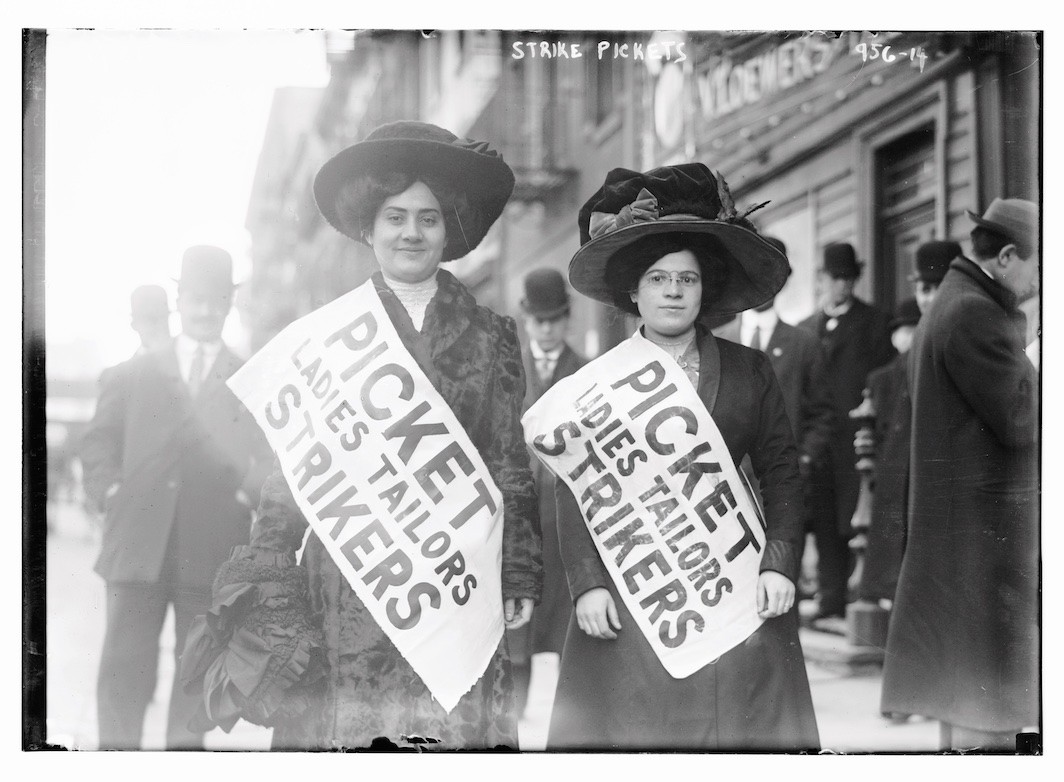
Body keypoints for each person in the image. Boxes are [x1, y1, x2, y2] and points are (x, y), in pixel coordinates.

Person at [190, 121, 543, 750]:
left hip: (457, 579)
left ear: (449, 227)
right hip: (355, 582)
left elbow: (508, 461)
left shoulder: (492, 335)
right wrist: (270, 573)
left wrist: (518, 571)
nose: (412, 232)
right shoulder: (325, 336)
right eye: (395, 216)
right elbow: (293, 470)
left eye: (428, 218)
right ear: (368, 227)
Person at [546, 163, 819, 751]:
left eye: (687, 280)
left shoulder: (750, 371)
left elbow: (782, 476)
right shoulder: (596, 384)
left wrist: (779, 562)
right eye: (658, 278)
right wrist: (587, 585)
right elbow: (576, 490)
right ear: (633, 291)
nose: (673, 291)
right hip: (636, 588)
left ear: (705, 289)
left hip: (734, 581)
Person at [78, 246, 273, 749]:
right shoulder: (135, 372)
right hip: (136, 548)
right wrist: (109, 494)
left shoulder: (251, 378)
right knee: (123, 672)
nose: (206, 311)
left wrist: (245, 493)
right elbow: (98, 440)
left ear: (230, 303)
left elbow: (271, 456)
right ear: (180, 300)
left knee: (195, 681)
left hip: (211, 553)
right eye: (197, 299)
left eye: (217, 301)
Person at [881, 198, 1039, 750]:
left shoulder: (953, 301)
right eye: (1040, 269)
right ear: (1009, 256)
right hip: (981, 542)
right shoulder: (975, 312)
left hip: (957, 537)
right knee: (988, 706)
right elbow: (1024, 419)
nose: (1039, 284)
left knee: (962, 699)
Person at [710, 237, 835, 596]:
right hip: (725, 492)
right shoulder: (719, 342)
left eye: (769, 274)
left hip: (780, 491)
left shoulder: (803, 343)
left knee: (778, 587)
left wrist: (803, 459)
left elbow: (824, 414)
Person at [858, 241, 958, 608]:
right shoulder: (914, 350)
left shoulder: (959, 335)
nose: (928, 300)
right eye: (922, 290)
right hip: (904, 464)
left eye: (936, 289)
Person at [797, 243, 894, 622]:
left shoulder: (874, 324)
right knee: (822, 521)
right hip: (820, 444)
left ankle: (861, 602)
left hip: (858, 443)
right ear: (822, 279)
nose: (843, 286)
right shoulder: (806, 329)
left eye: (849, 279)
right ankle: (831, 598)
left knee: (855, 520)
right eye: (836, 278)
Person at [509, 268, 587, 715]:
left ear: (567, 318)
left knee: (563, 617)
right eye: (538, 320)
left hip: (565, 516)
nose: (546, 328)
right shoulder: (507, 370)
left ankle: (566, 723)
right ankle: (514, 722)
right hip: (518, 519)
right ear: (526, 319)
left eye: (554, 319)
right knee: (517, 620)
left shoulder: (586, 373)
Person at [130, 284, 172, 354]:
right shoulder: (131, 365)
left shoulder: (191, 360)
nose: (156, 325)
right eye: (149, 319)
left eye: (161, 317)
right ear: (134, 325)